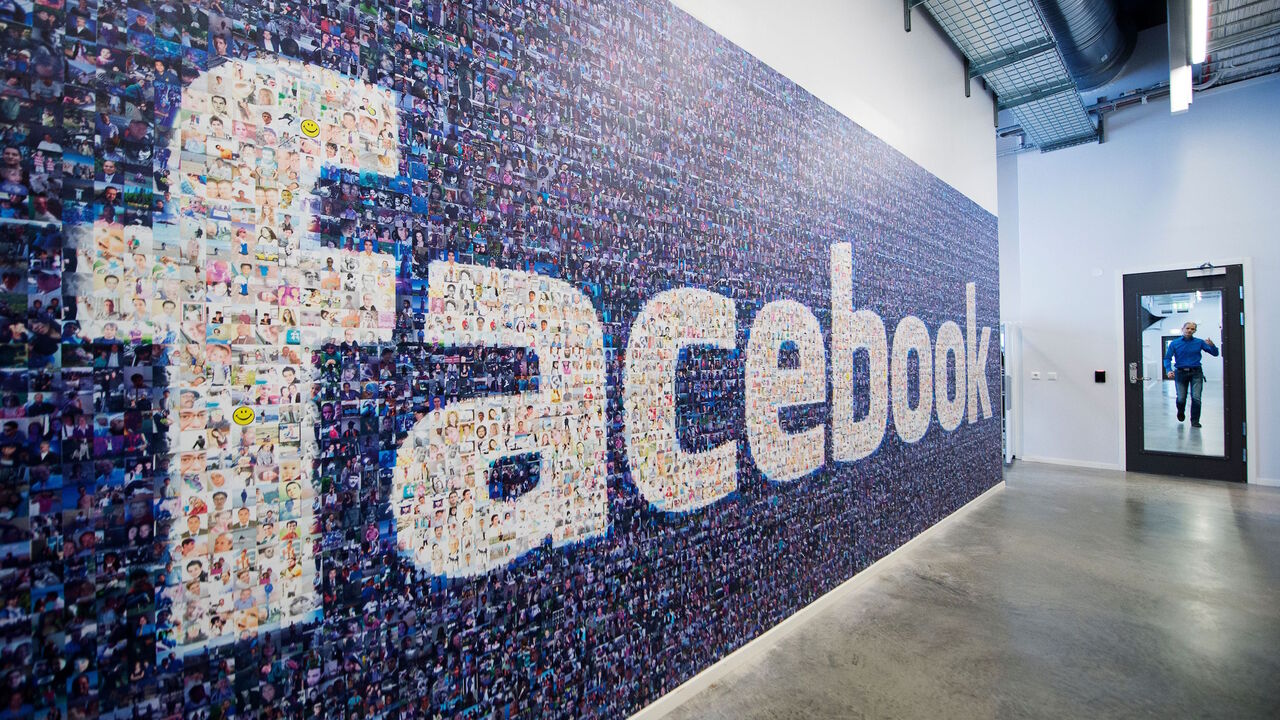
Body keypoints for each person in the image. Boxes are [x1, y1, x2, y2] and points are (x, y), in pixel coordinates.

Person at [1163, 321, 1219, 428]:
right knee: (1181, 398)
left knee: (1196, 397)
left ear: (1195, 331)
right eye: (1187, 328)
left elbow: (1215, 354)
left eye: (1192, 329)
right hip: (1180, 373)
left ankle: (1195, 421)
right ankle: (1180, 411)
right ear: (1182, 329)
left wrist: (1212, 346)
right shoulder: (1175, 343)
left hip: (1196, 372)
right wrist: (1168, 370)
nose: (1189, 330)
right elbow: (1167, 358)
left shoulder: (1199, 342)